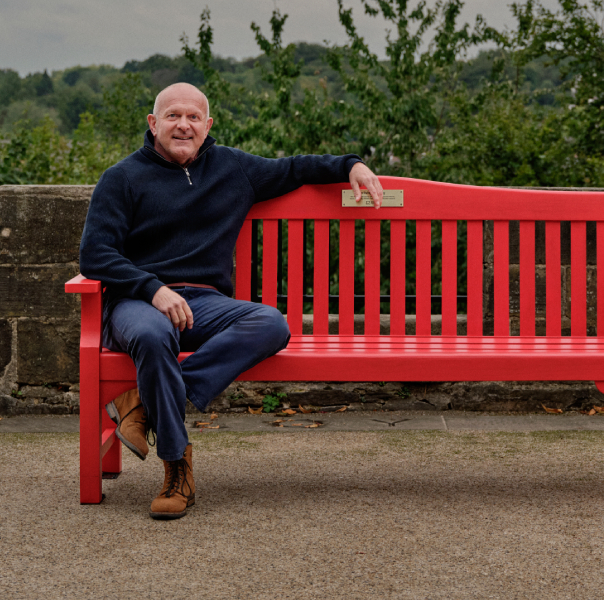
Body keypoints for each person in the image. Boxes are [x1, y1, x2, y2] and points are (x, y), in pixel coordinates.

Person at [80, 82, 383, 520]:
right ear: (153, 123)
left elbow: (296, 168)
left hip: (204, 302)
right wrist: (152, 289)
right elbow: (95, 255)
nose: (183, 125)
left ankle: (145, 403)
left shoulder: (233, 168)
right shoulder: (121, 177)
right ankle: (177, 468)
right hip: (136, 301)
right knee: (153, 334)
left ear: (207, 125)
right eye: (172, 116)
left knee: (270, 324)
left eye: (193, 117)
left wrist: (350, 164)